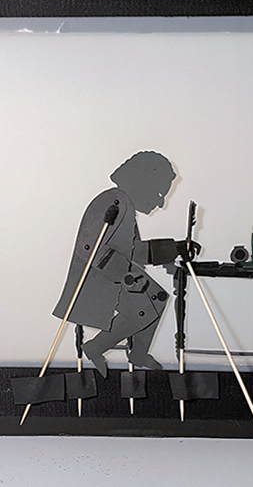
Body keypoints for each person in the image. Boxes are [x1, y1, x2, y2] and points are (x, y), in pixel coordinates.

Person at [52, 151, 197, 377]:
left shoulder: (126, 205)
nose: (160, 202)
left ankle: (138, 353)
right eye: (159, 193)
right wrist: (125, 276)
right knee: (143, 307)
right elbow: (89, 248)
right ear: (142, 181)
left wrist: (175, 248)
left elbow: (134, 252)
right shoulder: (114, 201)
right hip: (95, 280)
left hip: (115, 275)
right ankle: (95, 347)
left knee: (157, 298)